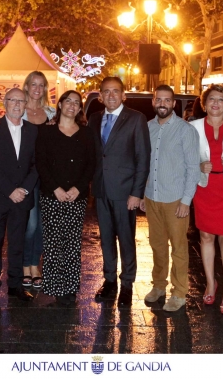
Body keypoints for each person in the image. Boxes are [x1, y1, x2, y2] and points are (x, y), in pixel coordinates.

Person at [88, 76, 150, 307]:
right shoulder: (93, 119)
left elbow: (143, 158)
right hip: (102, 189)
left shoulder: (136, 118)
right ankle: (110, 281)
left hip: (125, 192)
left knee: (126, 239)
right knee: (105, 239)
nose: (111, 95)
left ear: (123, 95)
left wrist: (137, 192)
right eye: (106, 92)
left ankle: (127, 284)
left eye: (115, 91)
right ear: (101, 96)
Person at [140, 85, 200, 312]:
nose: (162, 103)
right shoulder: (147, 128)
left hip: (176, 199)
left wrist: (186, 200)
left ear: (173, 104)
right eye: (159, 99)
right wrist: (144, 193)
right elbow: (145, 165)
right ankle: (158, 286)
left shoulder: (185, 130)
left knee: (178, 247)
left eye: (167, 100)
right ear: (153, 102)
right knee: (156, 245)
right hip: (153, 197)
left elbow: (193, 167)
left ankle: (179, 292)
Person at [35, 90, 96, 305]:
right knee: (52, 243)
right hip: (52, 196)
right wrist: (56, 189)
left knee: (71, 242)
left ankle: (70, 287)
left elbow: (91, 164)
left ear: (80, 108)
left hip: (77, 197)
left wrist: (79, 188)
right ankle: (53, 285)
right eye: (68, 101)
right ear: (59, 104)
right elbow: (40, 164)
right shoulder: (46, 132)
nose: (72, 105)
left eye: (76, 103)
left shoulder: (87, 133)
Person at [0, 88, 38, 307]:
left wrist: (23, 189)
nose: (16, 104)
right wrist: (10, 190)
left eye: (21, 101)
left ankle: (15, 286)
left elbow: (37, 163)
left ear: (26, 104)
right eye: (12, 100)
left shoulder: (33, 131)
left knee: (17, 244)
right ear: (4, 102)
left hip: (22, 198)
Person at [190, 84, 223, 314]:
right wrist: (198, 165)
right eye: (211, 99)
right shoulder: (192, 127)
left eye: (220, 100)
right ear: (204, 102)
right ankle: (211, 283)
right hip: (204, 186)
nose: (215, 103)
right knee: (206, 236)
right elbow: (184, 156)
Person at [20, 71, 56, 289]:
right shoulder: (18, 111)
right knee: (31, 224)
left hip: (47, 176)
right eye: (33, 84)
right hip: (26, 175)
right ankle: (25, 265)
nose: (37, 88)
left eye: (41, 85)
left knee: (43, 225)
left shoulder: (51, 113)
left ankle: (35, 265)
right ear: (26, 87)